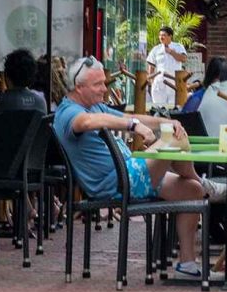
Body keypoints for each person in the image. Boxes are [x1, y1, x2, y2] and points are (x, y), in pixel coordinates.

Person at [55, 57, 209, 279]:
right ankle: (205, 183)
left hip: (130, 174)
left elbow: (130, 116)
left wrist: (166, 123)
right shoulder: (69, 112)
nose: (104, 89)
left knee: (191, 190)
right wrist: (134, 127)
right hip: (117, 183)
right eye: (97, 84)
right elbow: (86, 123)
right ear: (78, 87)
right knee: (175, 143)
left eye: (104, 83)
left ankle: (186, 264)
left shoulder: (93, 105)